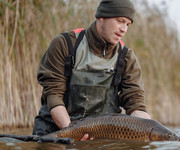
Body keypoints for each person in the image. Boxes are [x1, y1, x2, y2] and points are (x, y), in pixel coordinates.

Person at [32, 0, 151, 140]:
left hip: (101, 137)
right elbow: (53, 94)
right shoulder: (65, 44)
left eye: (128, 24)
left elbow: (135, 101)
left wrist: (148, 128)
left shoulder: (127, 57)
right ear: (101, 16)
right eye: (120, 21)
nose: (124, 29)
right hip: (56, 130)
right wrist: (71, 132)